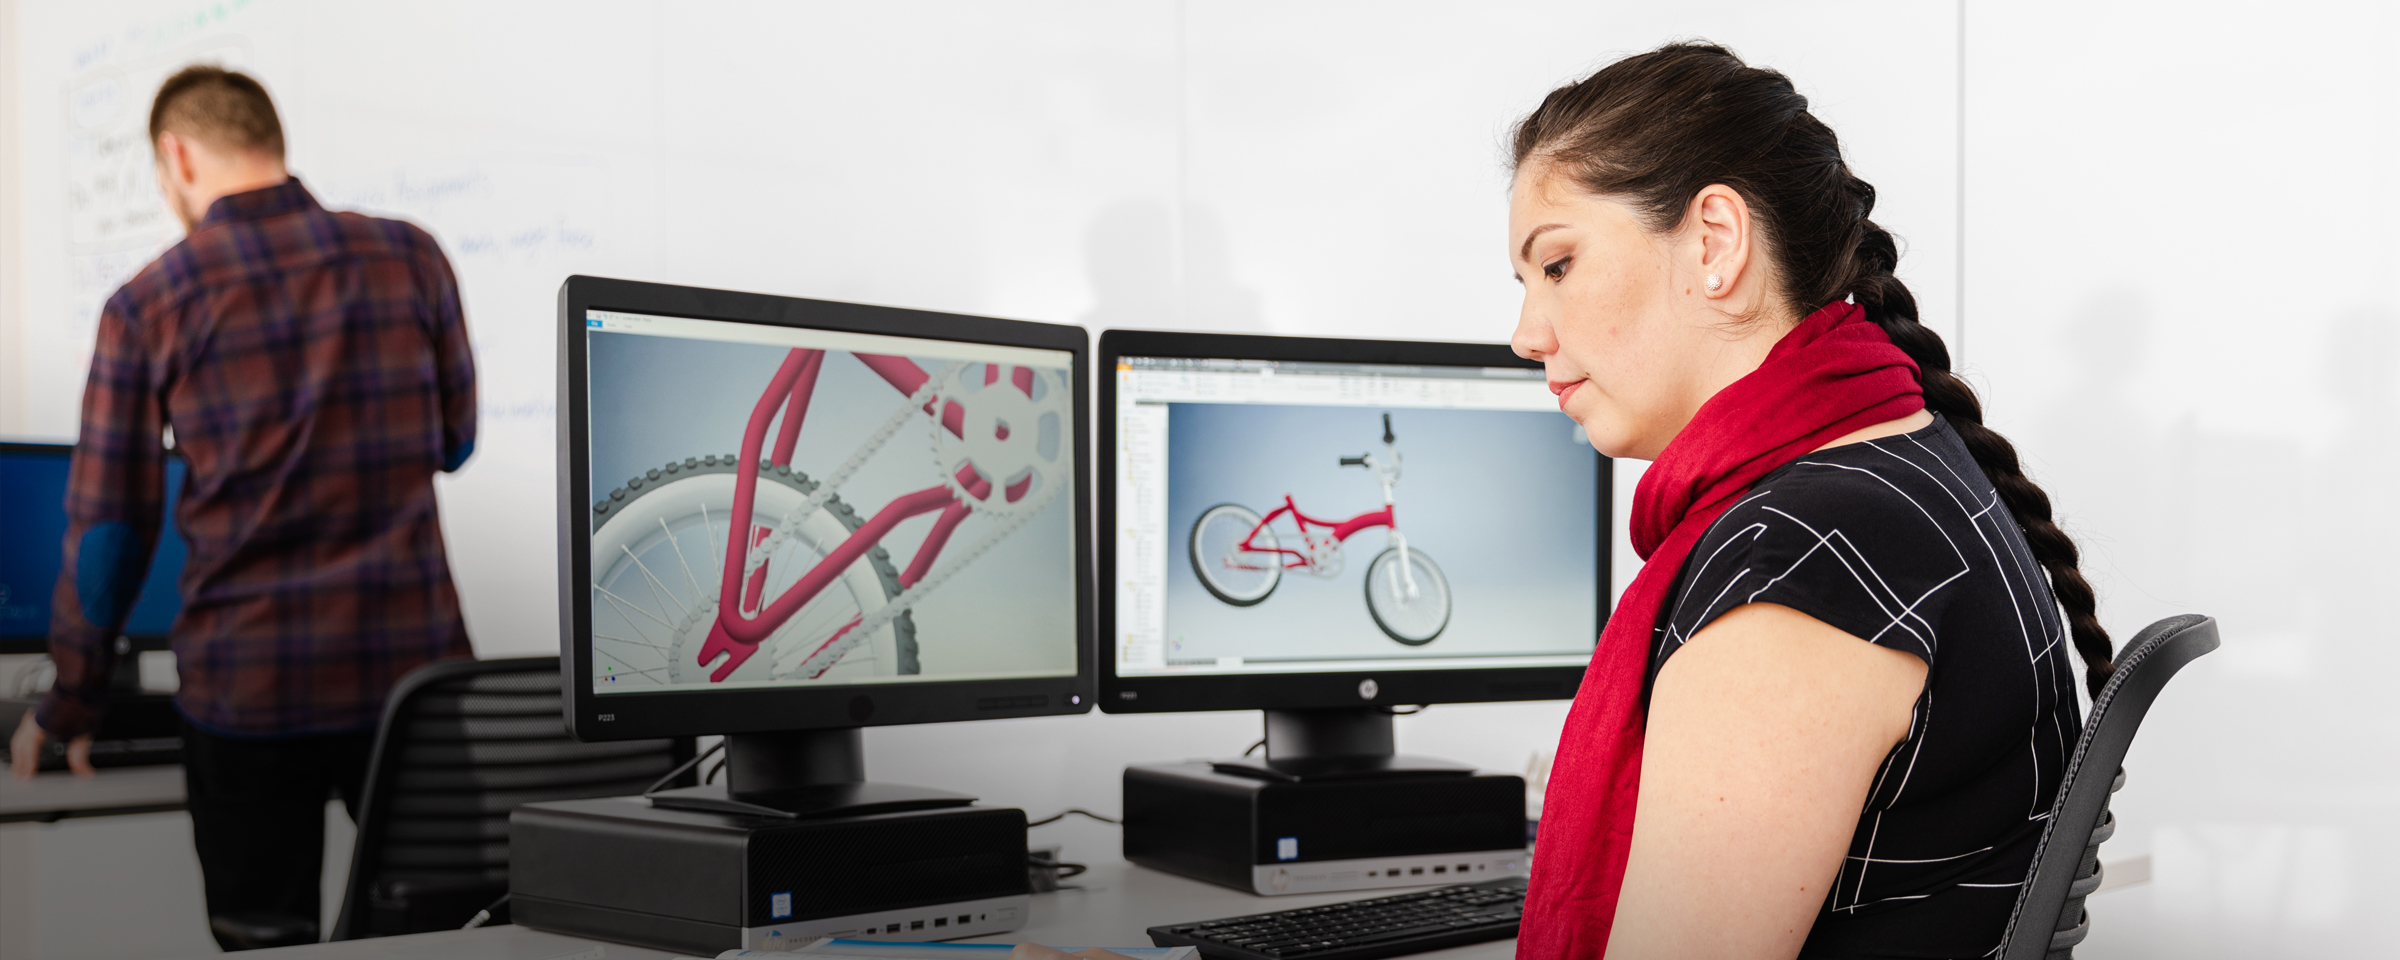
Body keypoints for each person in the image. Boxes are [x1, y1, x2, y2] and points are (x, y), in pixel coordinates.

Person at [1507, 44, 2111, 958]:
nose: (1526, 334)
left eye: (1556, 266)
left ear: (1714, 242)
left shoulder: (1795, 565)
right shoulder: (1901, 461)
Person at [6, 65, 478, 951]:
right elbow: (454, 444)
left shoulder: (149, 304)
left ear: (175, 156)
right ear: (270, 141)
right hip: (415, 687)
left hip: (249, 696)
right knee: (446, 937)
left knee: (268, 944)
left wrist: (69, 703)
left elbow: (112, 534)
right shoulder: (411, 255)